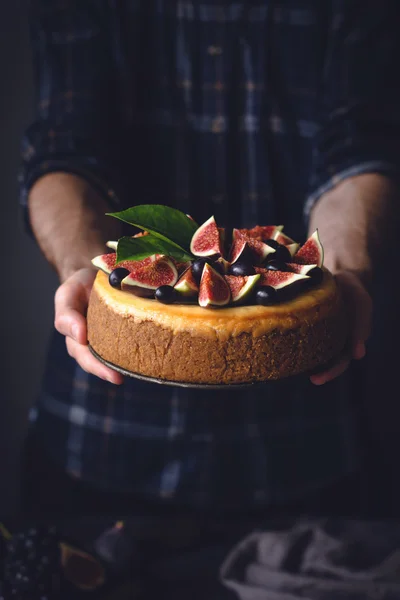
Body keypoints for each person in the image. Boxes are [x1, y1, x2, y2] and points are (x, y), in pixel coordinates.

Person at [20, 0, 399, 520]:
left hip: (305, 443)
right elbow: (64, 148)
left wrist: (347, 269)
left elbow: (357, 149)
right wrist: (84, 266)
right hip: (104, 440)